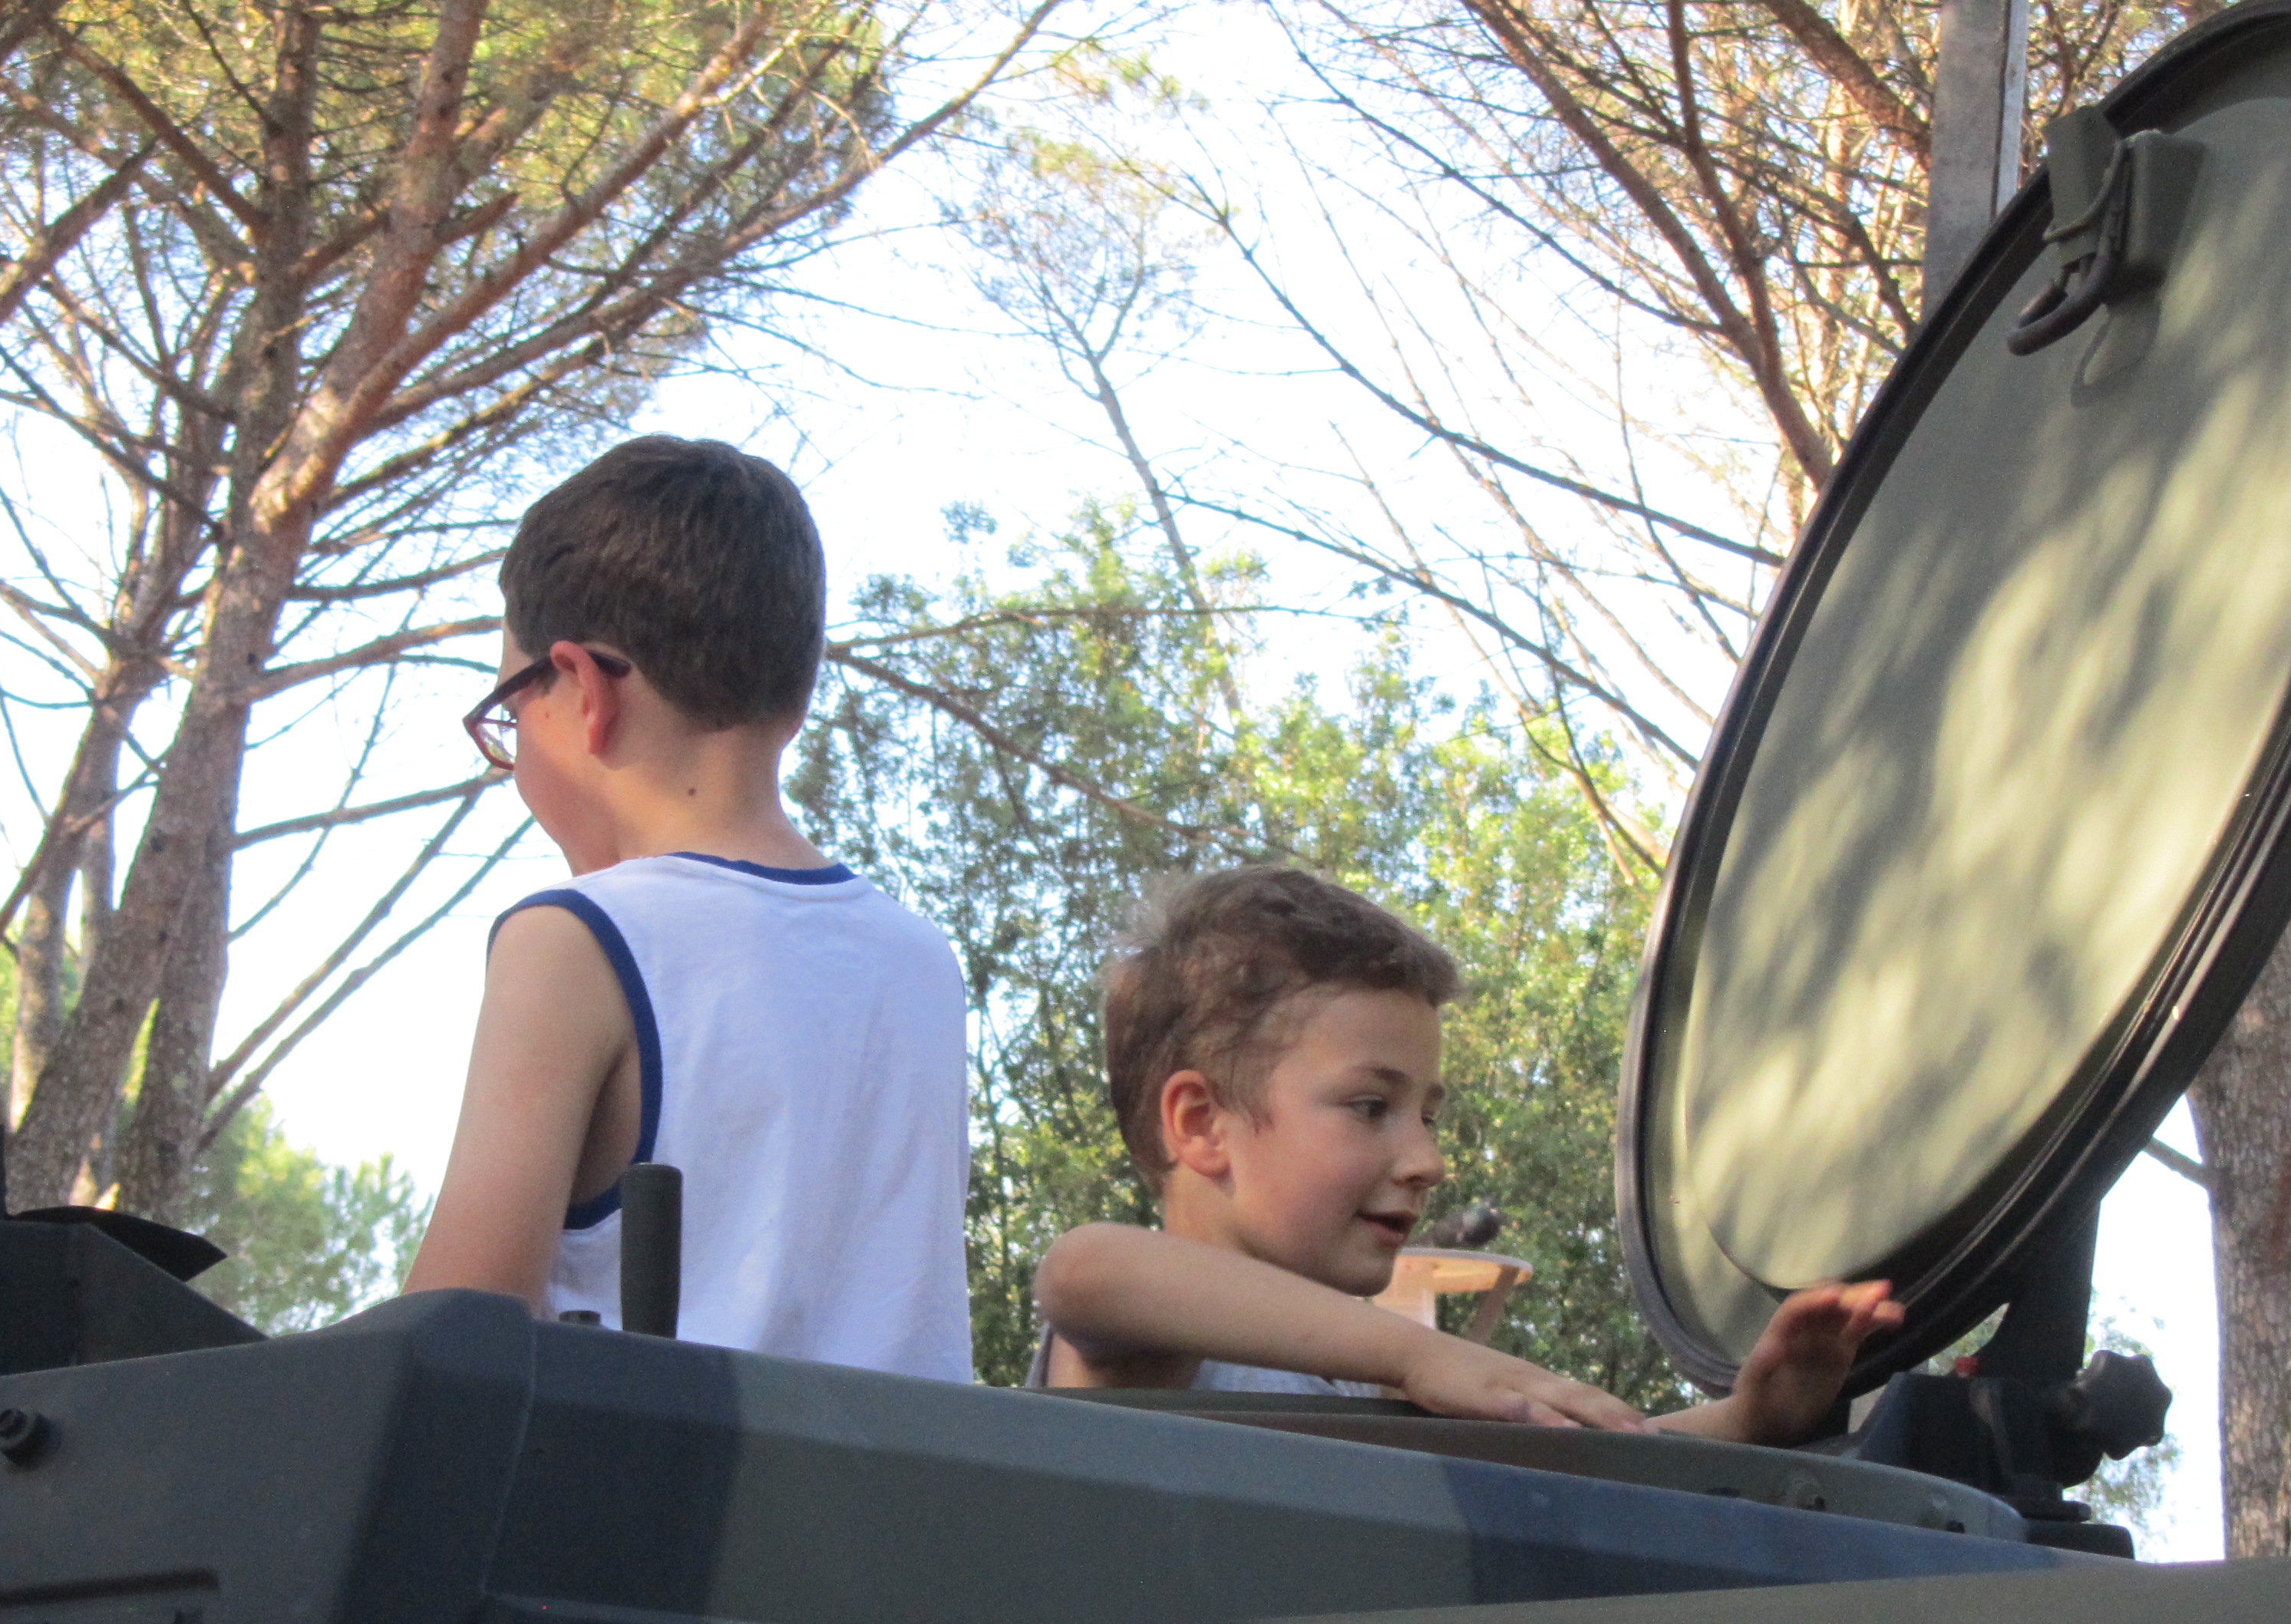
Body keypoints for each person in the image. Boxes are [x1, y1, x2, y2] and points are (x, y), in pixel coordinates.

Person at [404, 437, 974, 1382]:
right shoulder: (922, 961)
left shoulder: (572, 942)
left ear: (583, 690)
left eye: (508, 712)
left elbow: (451, 1339)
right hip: (911, 1480)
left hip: (673, 1479)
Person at [1033, 866, 1897, 1435]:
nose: (1427, 1161)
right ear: (1200, 1124)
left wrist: (1747, 1418)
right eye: (1370, 1106)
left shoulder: (1353, 1387)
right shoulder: (1158, 1359)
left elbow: (1563, 1454)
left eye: (1428, 1117)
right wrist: (1425, 1356)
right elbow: (1085, 1272)